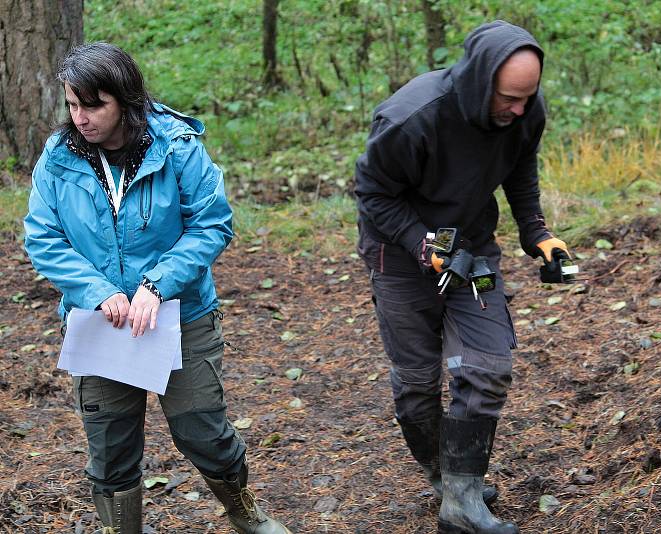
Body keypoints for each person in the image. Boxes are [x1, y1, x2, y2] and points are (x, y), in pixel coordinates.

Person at [24, 42, 291, 534]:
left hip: (180, 317)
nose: (79, 117)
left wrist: (158, 284)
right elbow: (42, 237)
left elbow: (212, 224)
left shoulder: (177, 146)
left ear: (123, 99)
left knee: (202, 430)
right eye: (71, 104)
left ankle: (244, 512)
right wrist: (96, 290)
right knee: (110, 447)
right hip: (101, 324)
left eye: (92, 105)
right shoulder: (59, 158)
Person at [355, 21, 570, 534]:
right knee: (417, 380)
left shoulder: (523, 111)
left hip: (471, 249)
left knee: (488, 365)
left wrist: (536, 232)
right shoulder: (412, 117)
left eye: (527, 97)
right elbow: (373, 192)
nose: (519, 109)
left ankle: (462, 498)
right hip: (400, 253)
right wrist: (422, 244)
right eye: (509, 98)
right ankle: (444, 478)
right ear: (479, 80)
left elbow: (520, 166)